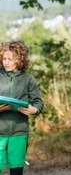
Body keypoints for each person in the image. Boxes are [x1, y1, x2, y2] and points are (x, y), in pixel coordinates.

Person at [0, 40, 43, 175]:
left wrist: (34, 110)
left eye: (10, 59)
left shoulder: (28, 79)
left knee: (16, 171)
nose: (6, 62)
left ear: (20, 59)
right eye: (4, 58)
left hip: (19, 132)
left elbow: (38, 103)